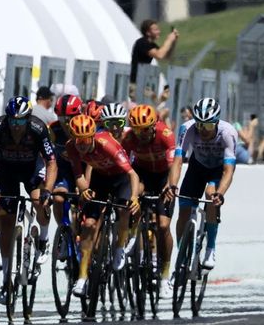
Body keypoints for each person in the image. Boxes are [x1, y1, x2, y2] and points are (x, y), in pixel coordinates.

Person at [67, 106, 142, 300]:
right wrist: (84, 190)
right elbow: (78, 175)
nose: (82, 145)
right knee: (89, 224)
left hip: (121, 180)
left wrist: (133, 197)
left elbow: (132, 174)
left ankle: (119, 247)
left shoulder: (108, 144)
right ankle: (82, 277)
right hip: (100, 179)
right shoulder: (71, 147)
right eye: (78, 141)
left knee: (125, 209)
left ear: (93, 136)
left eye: (85, 141)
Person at [0, 95, 58, 292]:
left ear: (29, 118)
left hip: (31, 168)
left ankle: (43, 239)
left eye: (21, 120)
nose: (16, 125)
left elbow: (51, 162)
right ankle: (6, 279)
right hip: (6, 170)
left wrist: (48, 190)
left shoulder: (38, 128)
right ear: (7, 118)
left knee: (38, 200)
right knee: (7, 221)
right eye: (13, 120)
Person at [174, 97, 239, 271]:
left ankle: (210, 247)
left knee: (211, 195)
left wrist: (221, 193)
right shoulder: (187, 129)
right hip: (198, 167)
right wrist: (172, 185)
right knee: (184, 210)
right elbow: (178, 161)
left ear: (216, 123)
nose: (203, 130)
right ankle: (181, 256)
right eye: (199, 124)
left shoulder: (228, 132)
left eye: (208, 126)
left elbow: (228, 171)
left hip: (218, 169)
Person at [120, 103, 179, 280]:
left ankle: (166, 271)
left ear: (153, 126)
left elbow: (173, 165)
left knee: (163, 225)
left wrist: (170, 185)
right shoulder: (129, 138)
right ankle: (132, 234)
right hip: (142, 174)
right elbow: (125, 167)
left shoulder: (165, 135)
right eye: (137, 130)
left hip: (163, 176)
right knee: (135, 192)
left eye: (145, 130)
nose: (141, 135)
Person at [130, 19, 179, 92]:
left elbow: (167, 57)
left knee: (154, 101)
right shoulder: (142, 43)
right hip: (137, 83)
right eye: (155, 30)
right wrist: (169, 40)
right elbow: (160, 55)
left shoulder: (152, 45)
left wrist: (173, 42)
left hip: (144, 82)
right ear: (148, 33)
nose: (158, 32)